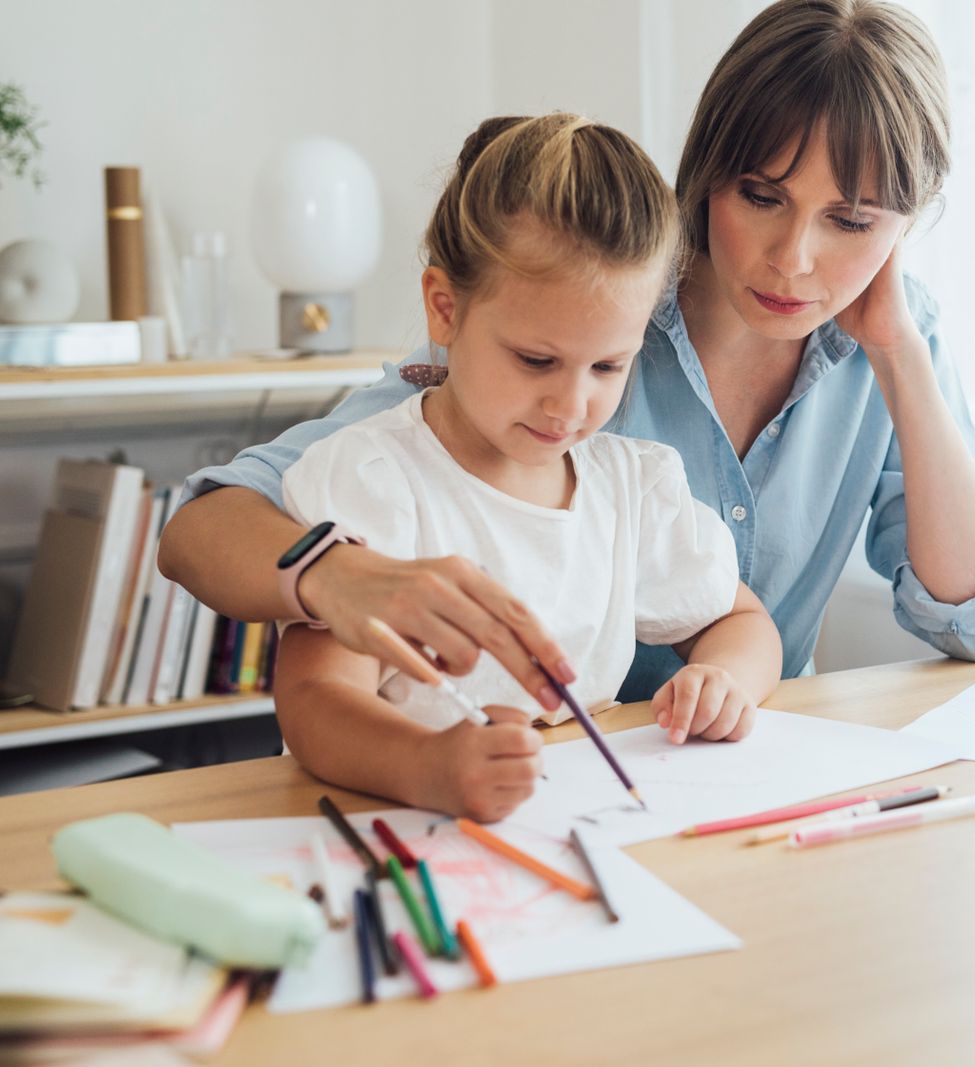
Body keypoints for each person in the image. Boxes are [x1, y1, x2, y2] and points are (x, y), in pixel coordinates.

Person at [158, 0, 975, 712]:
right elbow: (206, 526)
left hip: (739, 774)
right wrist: (333, 573)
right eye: (761, 195)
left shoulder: (889, 338)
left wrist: (901, 357)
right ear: (708, 171)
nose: (795, 259)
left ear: (907, 223)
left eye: (852, 221)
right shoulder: (584, 312)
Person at [272, 114, 781, 821]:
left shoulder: (630, 487)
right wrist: (430, 765)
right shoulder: (375, 478)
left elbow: (745, 621)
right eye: (536, 360)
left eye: (608, 365)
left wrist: (724, 678)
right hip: (410, 826)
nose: (570, 404)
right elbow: (312, 701)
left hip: (578, 821)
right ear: (445, 310)